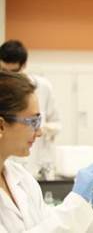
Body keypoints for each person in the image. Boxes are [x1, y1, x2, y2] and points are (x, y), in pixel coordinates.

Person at [0, 70, 93, 232]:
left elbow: (59, 228)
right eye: (33, 121)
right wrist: (76, 200)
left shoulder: (22, 179)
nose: (39, 132)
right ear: (1, 125)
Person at [0, 40, 61, 177]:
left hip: (32, 164)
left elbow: (57, 123)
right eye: (4, 71)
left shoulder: (41, 87)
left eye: (14, 71)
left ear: (24, 65)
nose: (9, 77)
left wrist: (38, 127)